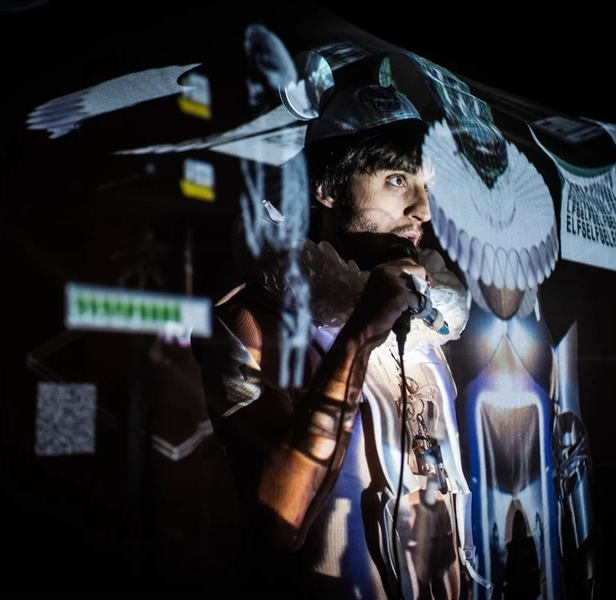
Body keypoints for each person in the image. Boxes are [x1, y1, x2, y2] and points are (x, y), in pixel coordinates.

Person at [198, 84, 483, 599]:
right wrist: (359, 337)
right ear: (328, 188)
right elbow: (281, 523)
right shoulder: (251, 323)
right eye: (398, 180)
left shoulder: (425, 328)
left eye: (427, 186)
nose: (422, 209)